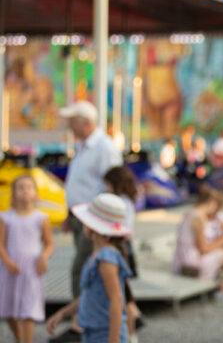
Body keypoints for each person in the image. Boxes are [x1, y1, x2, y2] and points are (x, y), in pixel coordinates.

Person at [54, 101, 122, 343]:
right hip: (82, 217)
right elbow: (81, 184)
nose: (69, 126)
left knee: (84, 269)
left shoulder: (103, 147)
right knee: (86, 270)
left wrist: (104, 223)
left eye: (73, 121)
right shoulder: (85, 146)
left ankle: (82, 324)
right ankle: (83, 321)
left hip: (94, 221)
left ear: (86, 122)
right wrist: (70, 214)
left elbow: (114, 184)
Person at [46, 193, 132, 343]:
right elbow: (89, 294)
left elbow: (116, 301)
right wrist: (63, 313)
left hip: (104, 334)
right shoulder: (96, 255)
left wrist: (113, 340)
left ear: (93, 227)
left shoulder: (106, 258)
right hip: (92, 332)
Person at [0, 175, 54, 343]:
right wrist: (7, 261)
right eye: (21, 187)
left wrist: (44, 257)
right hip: (11, 268)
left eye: (29, 187)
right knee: (8, 308)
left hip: (32, 268)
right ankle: (18, 337)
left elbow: (49, 243)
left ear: (35, 193)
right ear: (14, 193)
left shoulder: (41, 218)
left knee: (28, 309)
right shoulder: (5, 217)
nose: (25, 191)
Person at [171, 187, 223, 301]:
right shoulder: (198, 217)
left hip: (185, 260)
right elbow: (203, 249)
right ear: (212, 202)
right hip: (192, 263)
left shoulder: (192, 213)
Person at [103, 167, 143, 342]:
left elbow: (122, 228)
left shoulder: (121, 203)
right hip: (125, 249)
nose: (106, 189)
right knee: (124, 294)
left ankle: (131, 333)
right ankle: (131, 330)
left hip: (120, 249)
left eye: (108, 186)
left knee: (124, 296)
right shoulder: (128, 201)